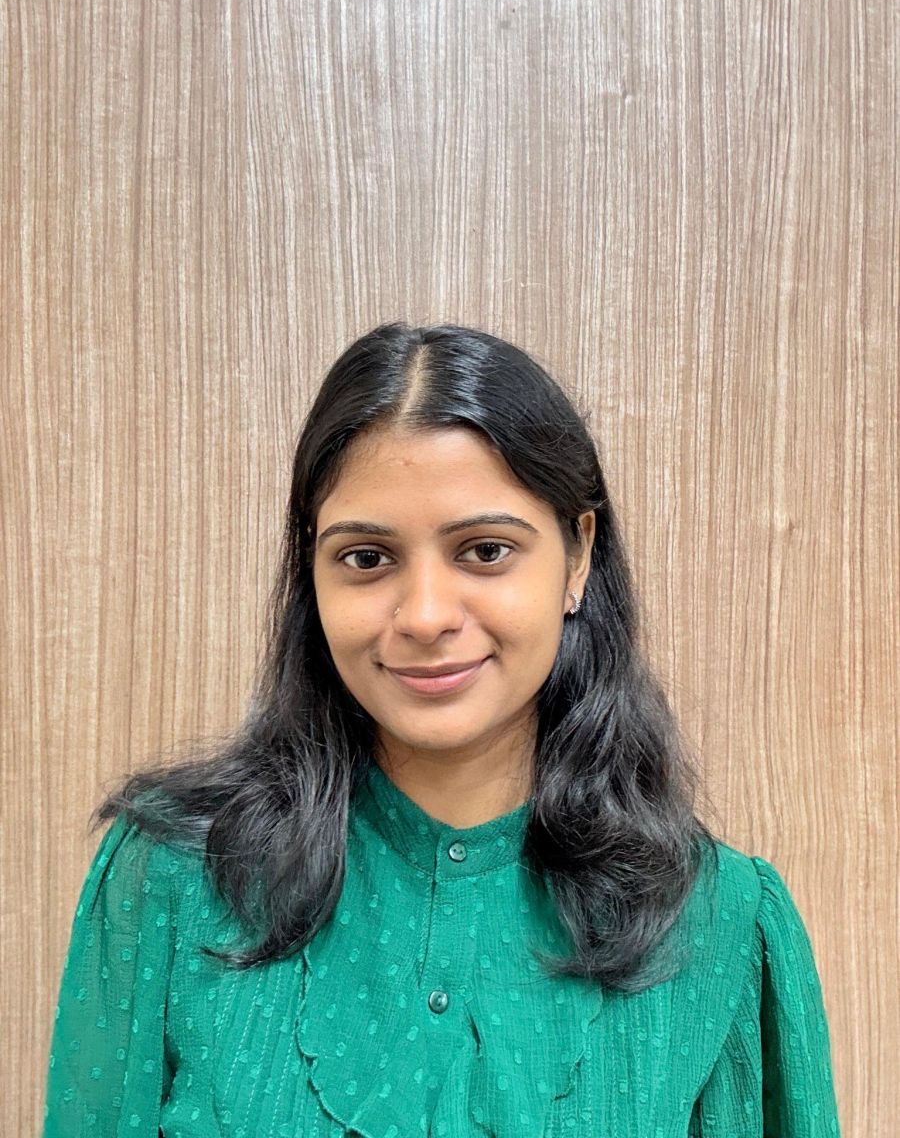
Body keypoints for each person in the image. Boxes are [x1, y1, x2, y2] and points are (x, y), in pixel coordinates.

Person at [41, 322, 841, 1137]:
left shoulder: (720, 921)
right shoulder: (173, 877)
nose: (425, 616)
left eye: (485, 551)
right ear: (311, 570)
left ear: (577, 556)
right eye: (366, 558)